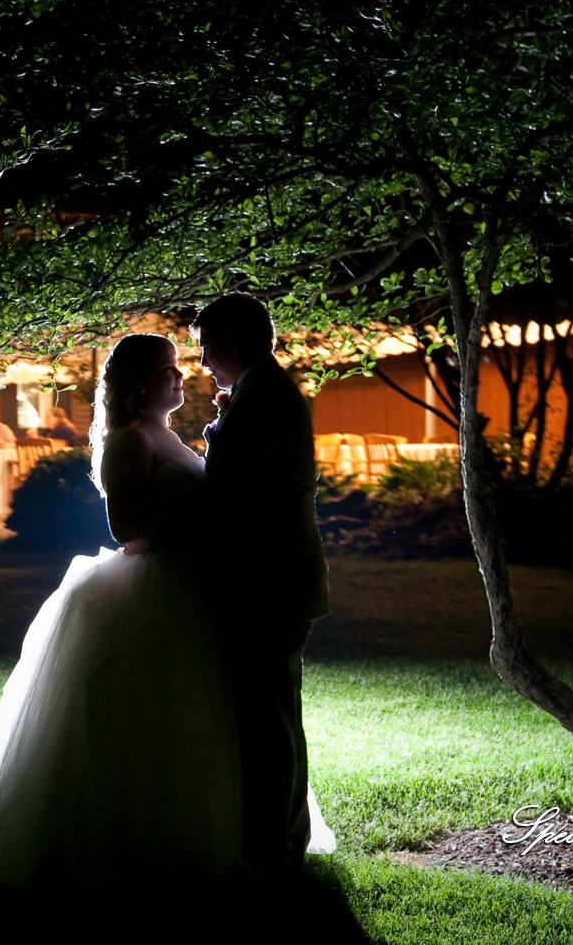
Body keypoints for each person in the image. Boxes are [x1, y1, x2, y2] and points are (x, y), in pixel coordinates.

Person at [0, 333, 337, 905]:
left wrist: (220, 442)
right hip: (151, 592)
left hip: (191, 586)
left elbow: (217, 491)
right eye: (168, 369)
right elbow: (125, 527)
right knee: (149, 723)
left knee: (200, 719)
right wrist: (201, 495)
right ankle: (140, 843)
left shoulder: (169, 434)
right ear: (140, 383)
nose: (181, 375)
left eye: (180, 365)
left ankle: (219, 828)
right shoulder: (128, 441)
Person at [192, 292, 331, 875]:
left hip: (267, 577)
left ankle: (273, 849)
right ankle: (280, 839)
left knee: (267, 719)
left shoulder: (265, 396)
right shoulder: (260, 392)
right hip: (278, 574)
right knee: (275, 711)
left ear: (236, 342)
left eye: (205, 346)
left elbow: (231, 492)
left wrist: (217, 435)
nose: (200, 361)